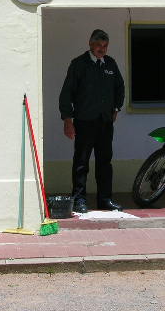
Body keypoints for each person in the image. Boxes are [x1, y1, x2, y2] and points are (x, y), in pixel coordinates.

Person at [59, 29, 125, 213]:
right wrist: (67, 119)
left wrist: (116, 108)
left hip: (104, 122)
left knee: (105, 162)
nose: (101, 49)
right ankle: (79, 199)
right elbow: (66, 94)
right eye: (98, 45)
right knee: (81, 162)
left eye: (105, 46)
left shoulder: (110, 63)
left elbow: (120, 87)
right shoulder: (79, 64)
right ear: (90, 43)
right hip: (84, 121)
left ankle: (105, 199)